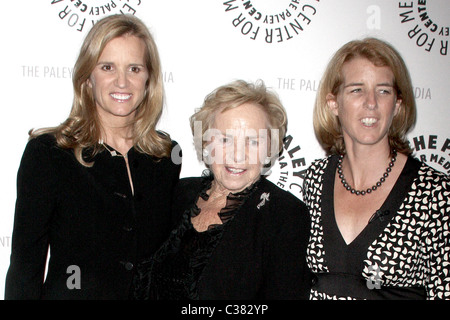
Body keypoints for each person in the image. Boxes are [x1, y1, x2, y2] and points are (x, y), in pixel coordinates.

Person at [5, 14, 181, 299]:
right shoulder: (49, 154)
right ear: (88, 76)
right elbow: (26, 267)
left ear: (149, 79)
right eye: (108, 67)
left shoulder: (165, 156)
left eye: (134, 68)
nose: (122, 81)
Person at [133, 80, 312, 299]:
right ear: (206, 143)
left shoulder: (285, 215)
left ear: (270, 147)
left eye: (253, 142)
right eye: (225, 139)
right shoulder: (179, 193)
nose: (237, 154)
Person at [304, 37, 449, 299]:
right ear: (333, 103)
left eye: (383, 90)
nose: (371, 102)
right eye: (357, 90)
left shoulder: (435, 192)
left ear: (398, 104)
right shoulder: (315, 179)